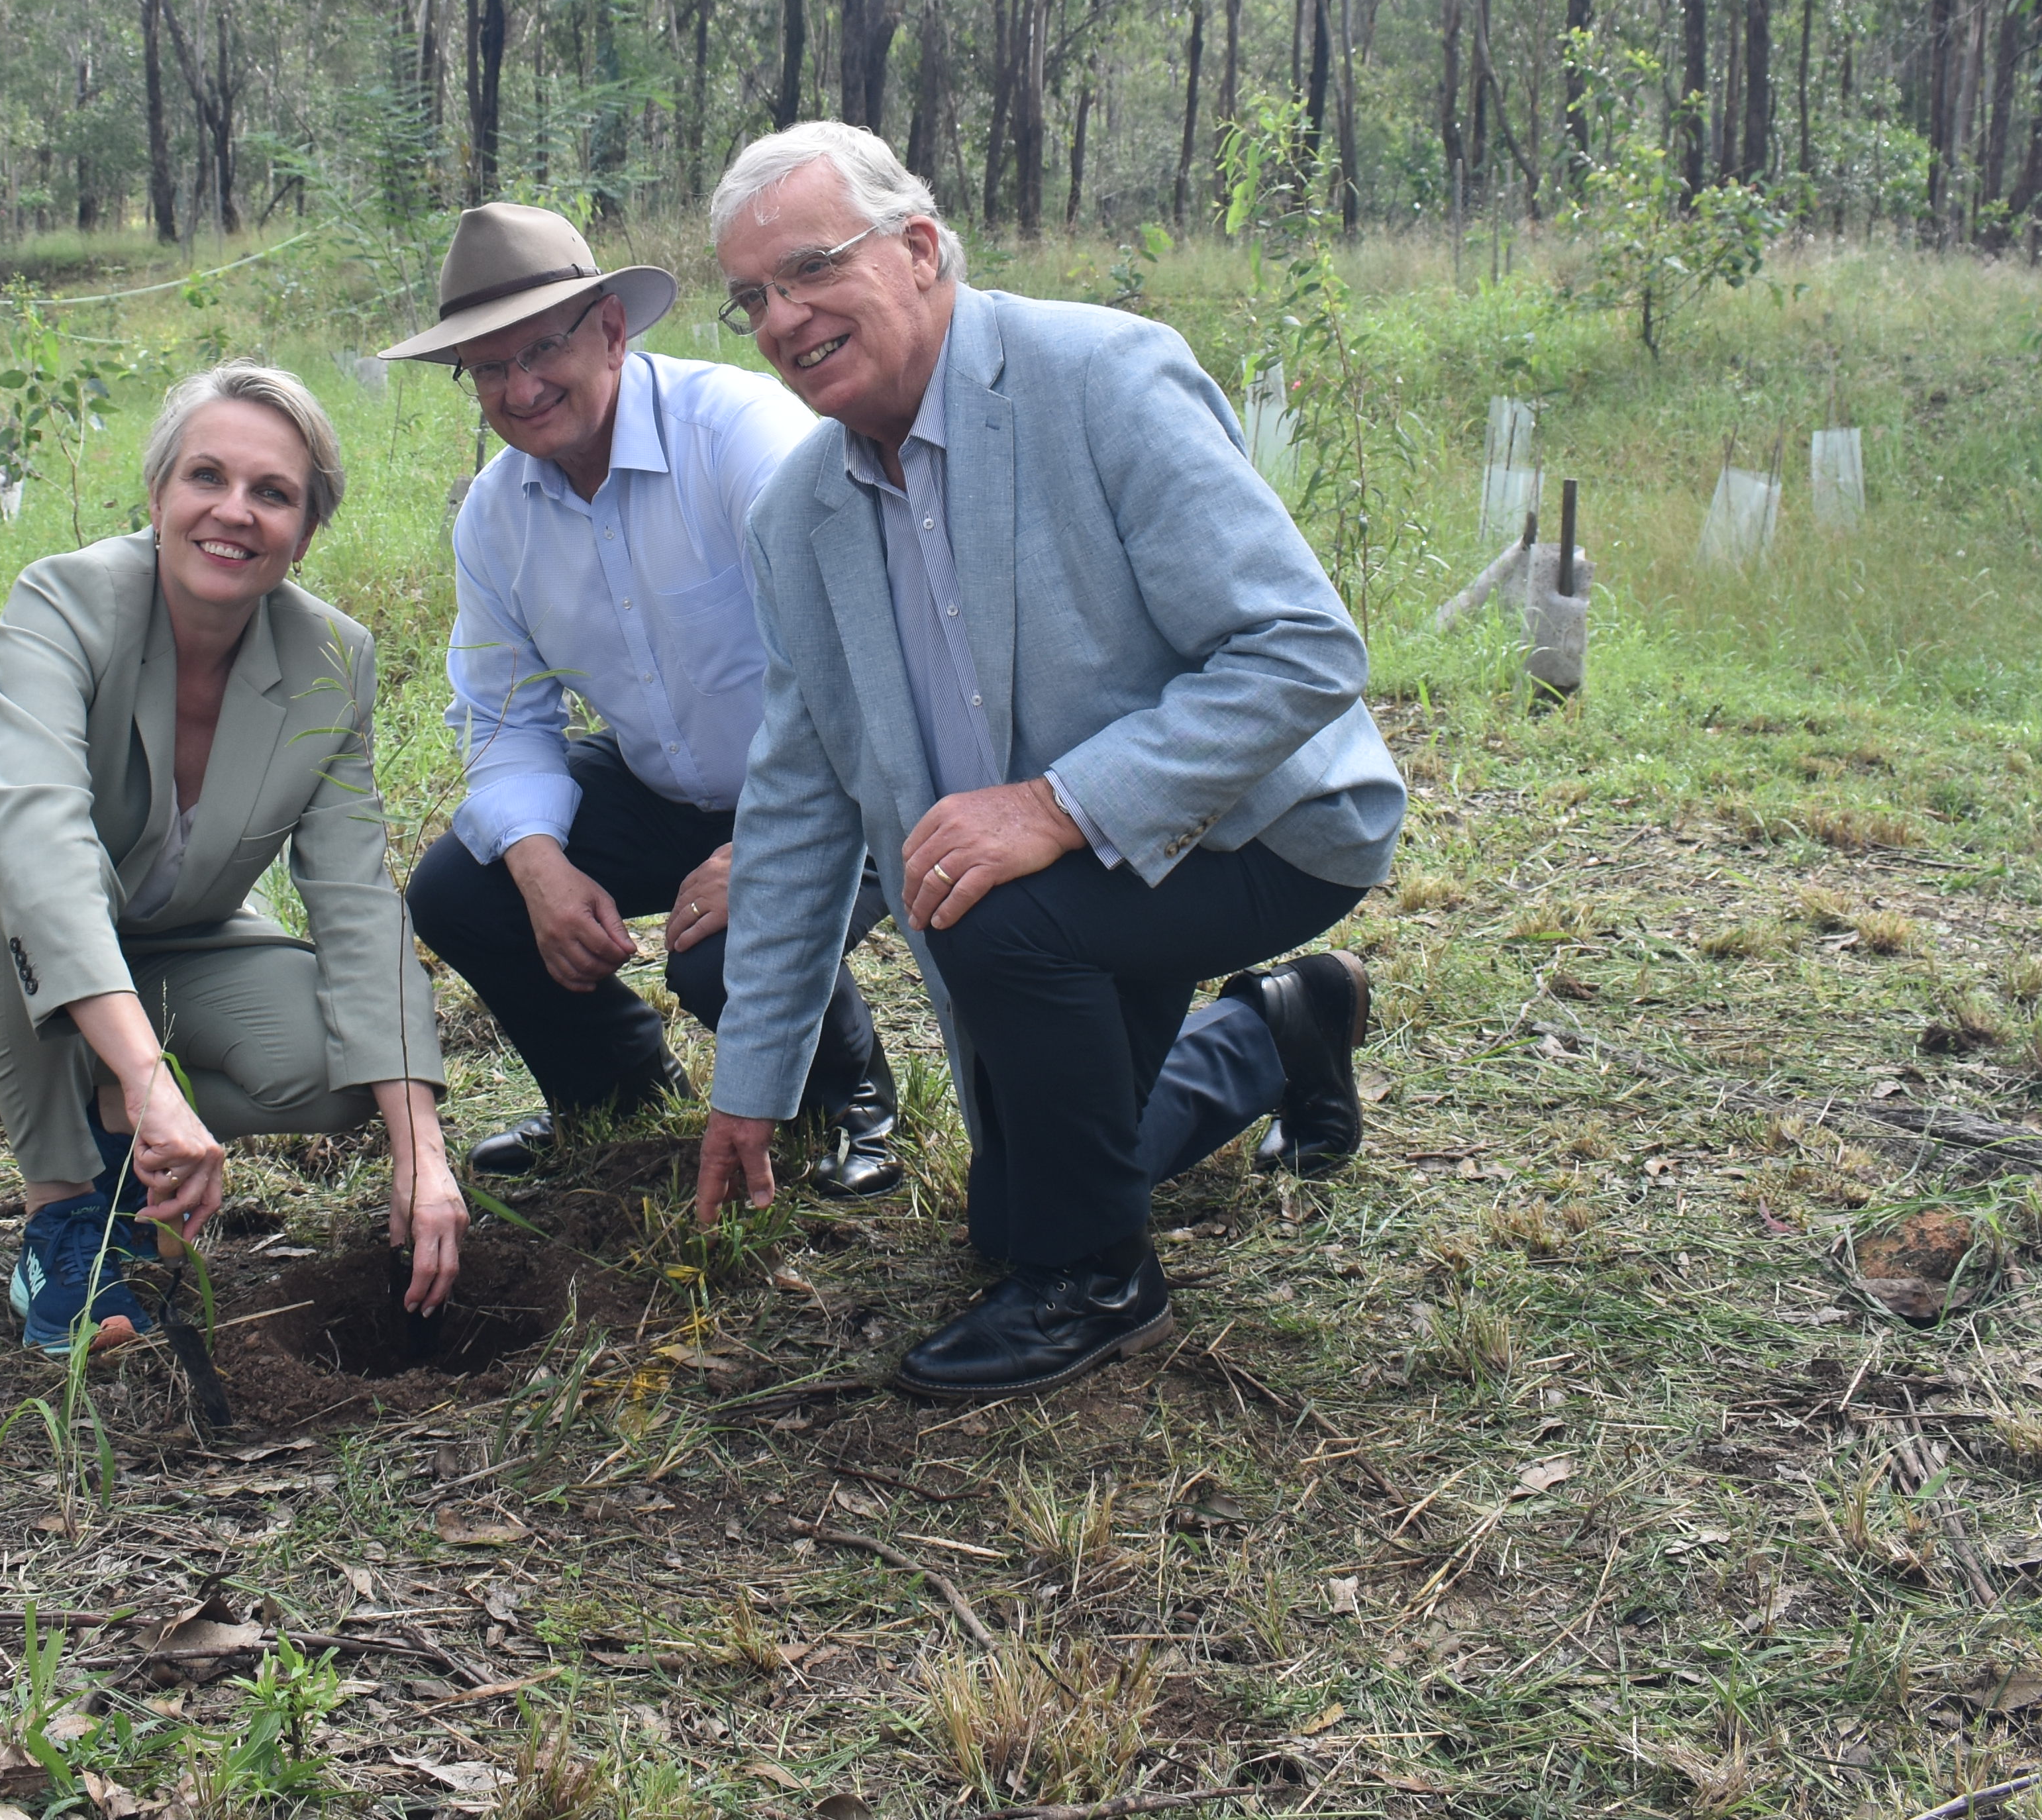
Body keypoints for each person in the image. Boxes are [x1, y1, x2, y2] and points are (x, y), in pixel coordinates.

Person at [691, 123, 1408, 1402]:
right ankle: (1274, 1029)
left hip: (1260, 831)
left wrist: (1057, 805)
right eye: (753, 297)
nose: (782, 319)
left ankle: (1098, 1284)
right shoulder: (796, 516)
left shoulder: (1103, 375)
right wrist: (752, 1080)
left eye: (810, 270)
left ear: (918, 250)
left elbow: (1300, 650)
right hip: (1075, 884)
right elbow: (800, 797)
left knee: (992, 908)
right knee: (1007, 1210)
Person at [0, 363, 462, 1352]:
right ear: (157, 494)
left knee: (343, 1062)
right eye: (207, 477)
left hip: (166, 949)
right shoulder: (66, 602)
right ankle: (65, 1217)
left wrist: (422, 1153)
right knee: (14, 877)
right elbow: (39, 844)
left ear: (308, 528)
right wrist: (153, 1072)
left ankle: (117, 1121)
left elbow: (356, 902)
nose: (234, 513)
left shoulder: (333, 659)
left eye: (273, 493)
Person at [380, 203, 902, 1195]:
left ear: (612, 331)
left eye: (541, 350)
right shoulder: (497, 518)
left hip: (846, 780)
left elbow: (872, 653)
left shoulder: (743, 438)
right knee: (463, 886)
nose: (521, 389)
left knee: (720, 956)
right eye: (489, 369)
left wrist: (768, 850)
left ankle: (854, 1096)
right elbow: (500, 715)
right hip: (670, 785)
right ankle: (615, 1088)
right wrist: (540, 870)